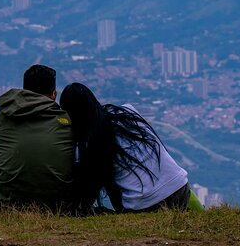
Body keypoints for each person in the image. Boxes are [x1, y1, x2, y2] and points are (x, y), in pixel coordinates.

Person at [59, 82, 190, 212]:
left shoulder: (87, 144)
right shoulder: (128, 112)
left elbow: (88, 187)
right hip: (180, 189)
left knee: (105, 173)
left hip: (147, 205)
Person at [0, 65, 75, 210]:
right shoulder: (66, 120)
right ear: (54, 94)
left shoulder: (4, 118)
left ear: (24, 92)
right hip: (59, 205)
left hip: (12, 203)